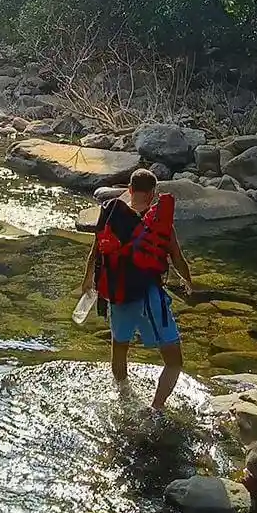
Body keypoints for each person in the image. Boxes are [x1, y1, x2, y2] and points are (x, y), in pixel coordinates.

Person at [81, 166, 194, 410]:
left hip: (118, 294)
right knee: (174, 361)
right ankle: (156, 408)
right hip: (149, 297)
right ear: (153, 193)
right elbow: (176, 258)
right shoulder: (158, 224)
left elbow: (96, 250)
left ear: (129, 190)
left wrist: (87, 279)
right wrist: (188, 280)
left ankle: (123, 397)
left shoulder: (111, 215)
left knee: (119, 348)